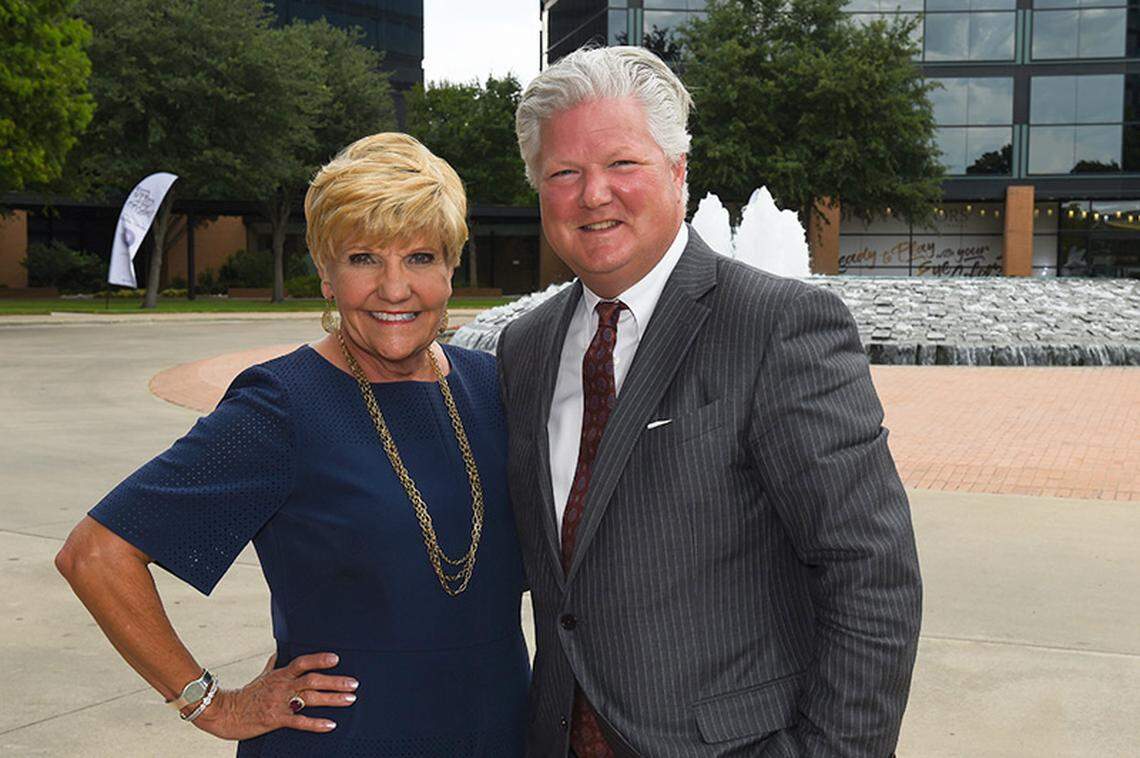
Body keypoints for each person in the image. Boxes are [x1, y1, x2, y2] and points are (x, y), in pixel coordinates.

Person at [496, 47, 923, 757]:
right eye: (564, 173)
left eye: (622, 163)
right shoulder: (525, 348)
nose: (593, 194)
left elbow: (871, 574)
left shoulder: (777, 325)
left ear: (678, 171)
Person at [55, 133, 529, 757]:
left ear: (450, 269)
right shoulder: (283, 405)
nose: (394, 288)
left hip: (502, 733)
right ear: (326, 274)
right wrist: (210, 703)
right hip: (346, 742)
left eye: (420, 257)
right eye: (363, 258)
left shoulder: (496, 387)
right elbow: (96, 555)